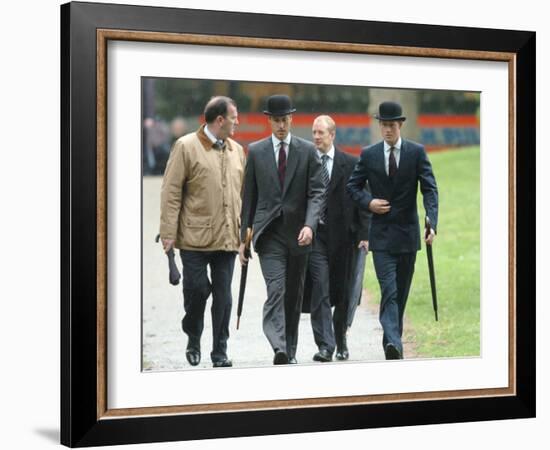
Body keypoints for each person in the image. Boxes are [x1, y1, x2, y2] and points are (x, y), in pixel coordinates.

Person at [346, 101, 438, 360]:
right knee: (389, 290)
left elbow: (430, 189)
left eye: (391, 125)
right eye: (383, 125)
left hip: (408, 237)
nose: (387, 129)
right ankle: (396, 345)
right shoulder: (369, 154)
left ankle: (391, 341)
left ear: (400, 125)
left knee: (401, 291)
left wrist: (432, 221)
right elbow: (352, 187)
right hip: (382, 237)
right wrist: (369, 202)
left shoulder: (416, 153)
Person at [159, 96, 245, 368]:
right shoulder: (185, 146)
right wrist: (168, 232)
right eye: (234, 117)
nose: (237, 122)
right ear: (220, 120)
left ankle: (220, 351)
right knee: (196, 292)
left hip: (227, 239)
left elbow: (243, 195)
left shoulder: (237, 151)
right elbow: (171, 191)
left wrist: (245, 234)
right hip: (194, 239)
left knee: (224, 298)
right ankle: (193, 336)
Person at [239, 94, 324, 365]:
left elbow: (317, 192)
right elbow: (248, 197)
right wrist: (243, 237)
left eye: (285, 120)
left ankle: (290, 348)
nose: (281, 126)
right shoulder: (255, 151)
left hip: (299, 235)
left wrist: (310, 225)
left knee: (293, 296)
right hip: (269, 235)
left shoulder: (307, 150)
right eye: (276, 121)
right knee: (276, 290)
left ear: (291, 119)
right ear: (269, 121)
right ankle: (278, 346)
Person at [303, 115, 370, 362]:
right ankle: (325, 345)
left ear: (332, 135)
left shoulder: (351, 164)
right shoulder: (307, 161)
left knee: (342, 292)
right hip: (317, 236)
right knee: (319, 288)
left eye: (320, 133)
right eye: (314, 132)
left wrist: (364, 235)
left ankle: (340, 338)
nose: (316, 137)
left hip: (345, 237)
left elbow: (363, 200)